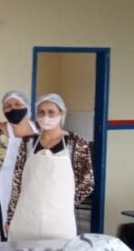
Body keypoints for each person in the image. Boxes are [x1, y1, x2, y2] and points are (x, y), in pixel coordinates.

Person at [6, 93, 94, 242]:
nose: (46, 117)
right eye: (41, 112)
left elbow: (87, 182)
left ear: (62, 113)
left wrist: (62, 202)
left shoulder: (76, 143)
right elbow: (17, 182)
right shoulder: (28, 142)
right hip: (27, 217)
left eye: (51, 112)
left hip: (59, 221)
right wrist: (10, 217)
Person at [0, 90, 38, 242]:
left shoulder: (41, 131)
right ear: (3, 110)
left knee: (34, 241)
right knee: (9, 240)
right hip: (4, 196)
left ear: (27, 106)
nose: (13, 109)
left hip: (35, 196)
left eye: (18, 104)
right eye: (8, 106)